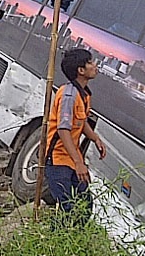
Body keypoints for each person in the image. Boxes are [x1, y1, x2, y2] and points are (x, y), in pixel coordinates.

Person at [45, 48, 106, 213]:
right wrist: (79, 163)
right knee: (68, 208)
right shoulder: (68, 96)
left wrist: (95, 138)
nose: (95, 65)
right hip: (58, 160)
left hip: (72, 158)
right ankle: (56, 236)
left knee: (84, 207)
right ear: (81, 70)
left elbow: (81, 120)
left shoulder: (84, 95)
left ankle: (75, 236)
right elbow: (63, 129)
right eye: (90, 62)